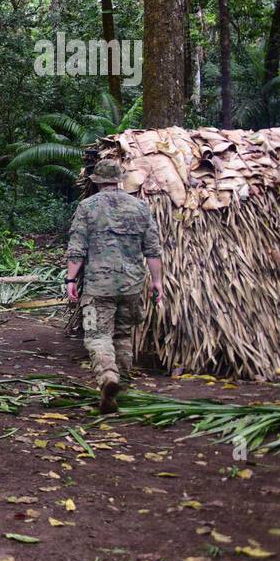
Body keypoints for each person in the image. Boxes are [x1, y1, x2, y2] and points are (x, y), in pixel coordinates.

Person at [66, 159, 163, 414]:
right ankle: (124, 386)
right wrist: (157, 282)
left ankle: (108, 377)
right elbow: (152, 250)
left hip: (98, 288)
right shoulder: (140, 206)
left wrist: (70, 280)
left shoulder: (87, 207)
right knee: (122, 335)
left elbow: (77, 248)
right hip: (131, 286)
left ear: (96, 181)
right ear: (120, 180)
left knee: (97, 336)